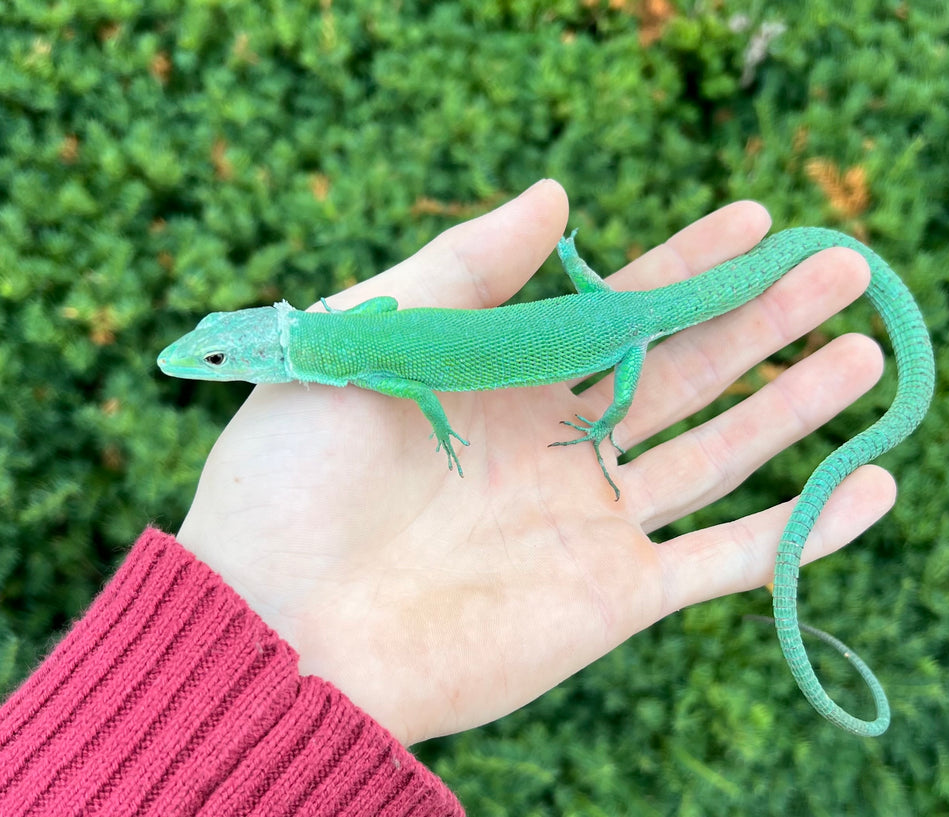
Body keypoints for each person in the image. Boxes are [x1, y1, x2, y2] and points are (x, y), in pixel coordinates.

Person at [0, 180, 895, 814]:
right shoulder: (345, 338)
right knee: (635, 318)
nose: (203, 363)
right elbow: (383, 324)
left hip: (620, 328)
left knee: (641, 338)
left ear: (274, 352)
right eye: (213, 352)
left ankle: (620, 389)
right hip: (593, 316)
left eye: (220, 355)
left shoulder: (357, 365)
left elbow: (416, 385)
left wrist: (588, 423)